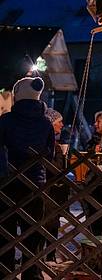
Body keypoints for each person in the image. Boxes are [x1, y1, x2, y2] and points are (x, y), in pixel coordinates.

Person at [0, 77, 54, 280]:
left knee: (5, 230)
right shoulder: (46, 123)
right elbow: (50, 153)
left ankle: (5, 272)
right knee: (33, 230)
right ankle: (32, 273)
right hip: (35, 183)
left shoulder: (5, 121)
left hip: (7, 182)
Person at [44, 108, 69, 262]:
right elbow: (56, 168)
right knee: (49, 222)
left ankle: (49, 253)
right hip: (49, 189)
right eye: (59, 122)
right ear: (51, 123)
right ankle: (47, 254)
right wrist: (61, 155)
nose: (62, 125)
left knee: (52, 222)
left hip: (54, 190)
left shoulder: (55, 144)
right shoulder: (52, 146)